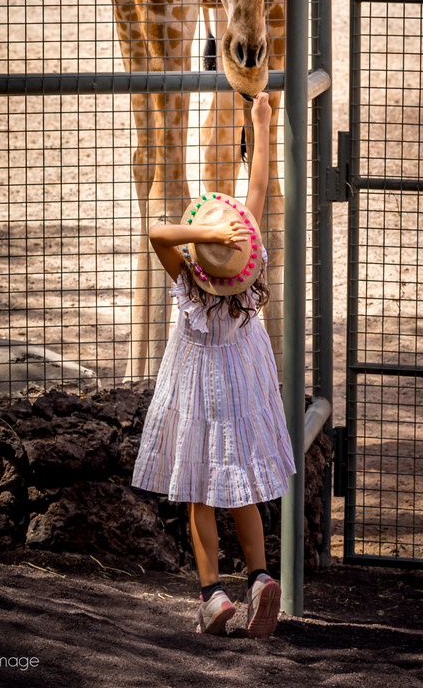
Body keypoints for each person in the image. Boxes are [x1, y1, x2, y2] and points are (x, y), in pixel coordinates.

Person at [131, 92, 295, 637]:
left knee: (200, 491)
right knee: (242, 486)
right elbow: (258, 189)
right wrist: (262, 122)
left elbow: (156, 232)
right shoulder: (251, 270)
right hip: (243, 387)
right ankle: (260, 578)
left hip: (199, 390)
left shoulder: (187, 283)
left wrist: (203, 235)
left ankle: (212, 596)